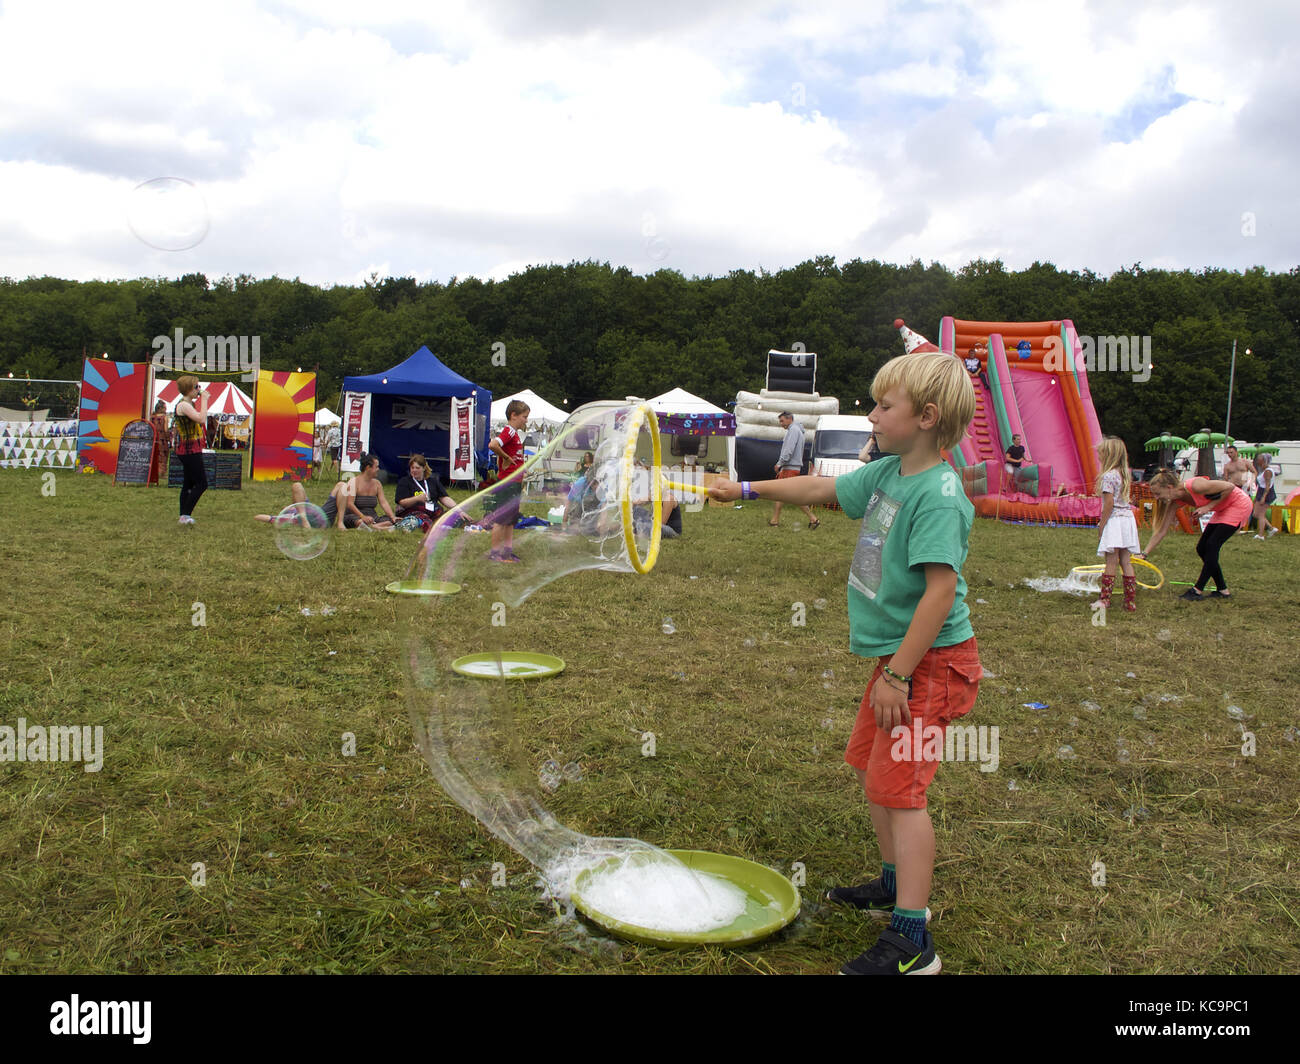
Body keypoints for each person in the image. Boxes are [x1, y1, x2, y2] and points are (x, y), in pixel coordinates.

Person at [709, 349, 979, 976]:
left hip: (927, 665)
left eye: (885, 405)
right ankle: (891, 884)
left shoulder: (938, 495)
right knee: (873, 773)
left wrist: (897, 676)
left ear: (927, 416)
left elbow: (940, 592)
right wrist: (746, 487)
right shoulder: (888, 474)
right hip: (900, 660)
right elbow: (824, 487)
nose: (873, 413)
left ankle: (914, 941)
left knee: (902, 791)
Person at [1142, 469, 1252, 600]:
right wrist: (1144, 553)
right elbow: (1161, 530)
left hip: (1238, 504)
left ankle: (1197, 590)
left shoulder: (1195, 486)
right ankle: (1223, 591)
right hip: (1222, 508)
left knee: (1212, 545)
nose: (1156, 498)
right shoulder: (1176, 502)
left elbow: (1229, 487)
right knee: (1202, 548)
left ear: (1170, 487)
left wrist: (1208, 507)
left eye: (1158, 493)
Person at [1093, 438, 1141, 612]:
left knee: (1111, 561)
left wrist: (1102, 525)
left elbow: (1108, 505)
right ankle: (1130, 601)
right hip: (1127, 519)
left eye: (1100, 452)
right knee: (1126, 561)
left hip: (1114, 521)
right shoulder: (1124, 474)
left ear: (1108, 455)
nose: (1098, 455)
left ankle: (1104, 599)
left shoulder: (1108, 476)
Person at [488, 400, 529, 561]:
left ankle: (507, 551)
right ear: (514, 415)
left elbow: (515, 456)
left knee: (511, 520)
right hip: (507, 483)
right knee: (500, 520)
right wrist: (505, 458)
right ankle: (495, 553)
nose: (526, 420)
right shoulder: (509, 431)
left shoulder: (515, 434)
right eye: (524, 417)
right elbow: (493, 444)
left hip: (515, 482)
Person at [770, 412, 819, 529]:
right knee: (784, 495)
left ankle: (813, 518)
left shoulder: (793, 431)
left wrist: (780, 463)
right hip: (792, 467)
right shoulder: (797, 430)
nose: (781, 424)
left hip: (790, 467)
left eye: (782, 421)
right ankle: (774, 520)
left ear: (789, 419)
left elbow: (789, 449)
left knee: (790, 495)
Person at [172, 375, 208, 525]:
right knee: (202, 483)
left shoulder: (188, 404)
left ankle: (184, 515)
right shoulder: (184, 405)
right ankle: (186, 514)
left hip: (191, 449)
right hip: (189, 450)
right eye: (196, 387)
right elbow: (201, 419)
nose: (199, 390)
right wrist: (205, 399)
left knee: (188, 483)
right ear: (188, 389)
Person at [253, 479, 353, 530]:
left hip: (319, 511)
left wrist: (291, 507)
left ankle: (340, 522)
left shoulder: (299, 507)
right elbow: (258, 517)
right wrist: (281, 516)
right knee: (296, 485)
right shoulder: (288, 518)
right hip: (322, 520)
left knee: (342, 485)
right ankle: (305, 521)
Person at [395, 454, 457, 533]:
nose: (414, 470)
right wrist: (417, 498)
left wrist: (458, 509)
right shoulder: (405, 482)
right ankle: (430, 526)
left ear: (424, 468)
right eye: (412, 468)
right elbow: (402, 503)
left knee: (454, 517)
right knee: (418, 520)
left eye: (417, 468)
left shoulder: (433, 481)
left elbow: (444, 498)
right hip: (414, 512)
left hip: (433, 511)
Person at [344, 453, 399, 529]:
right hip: (355, 516)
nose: (378, 469)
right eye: (376, 467)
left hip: (372, 517)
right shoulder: (354, 482)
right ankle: (376, 527)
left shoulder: (377, 484)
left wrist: (392, 517)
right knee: (358, 521)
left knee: (390, 520)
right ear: (368, 467)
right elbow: (350, 504)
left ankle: (373, 526)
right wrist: (362, 516)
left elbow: (383, 502)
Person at [1251, 453, 1279, 540]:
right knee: (1256, 514)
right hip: (1261, 491)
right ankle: (1271, 528)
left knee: (1261, 514)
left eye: (1258, 460)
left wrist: (1263, 497)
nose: (1257, 461)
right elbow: (1261, 484)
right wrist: (1257, 497)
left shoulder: (1267, 471)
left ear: (1263, 461)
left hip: (1266, 493)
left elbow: (1267, 486)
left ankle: (1260, 535)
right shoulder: (1262, 470)